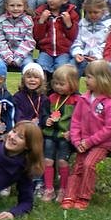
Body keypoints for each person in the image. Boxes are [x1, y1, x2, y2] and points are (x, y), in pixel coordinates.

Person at [61, 60, 111, 210]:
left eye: (89, 77)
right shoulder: (83, 99)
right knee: (78, 166)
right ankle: (70, 196)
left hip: (101, 144)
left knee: (89, 164)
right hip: (82, 142)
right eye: (86, 76)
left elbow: (109, 128)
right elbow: (75, 121)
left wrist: (89, 142)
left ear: (102, 79)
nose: (85, 80)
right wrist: (76, 141)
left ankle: (83, 197)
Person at [42, 64, 80, 203]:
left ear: (73, 84)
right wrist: (46, 120)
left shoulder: (77, 100)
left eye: (62, 84)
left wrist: (73, 132)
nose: (58, 87)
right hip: (50, 134)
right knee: (47, 160)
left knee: (63, 161)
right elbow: (44, 113)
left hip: (66, 136)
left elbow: (80, 119)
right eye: (56, 83)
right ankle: (49, 189)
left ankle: (63, 189)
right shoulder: (51, 98)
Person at [33, 0, 79, 76]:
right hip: (46, 51)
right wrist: (41, 21)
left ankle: (58, 86)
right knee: (40, 69)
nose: (50, 0)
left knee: (62, 70)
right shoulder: (41, 12)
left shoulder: (71, 14)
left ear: (65, 0)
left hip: (64, 52)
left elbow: (74, 37)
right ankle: (44, 86)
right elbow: (37, 36)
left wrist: (69, 24)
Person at [70, 0, 111, 76]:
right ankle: (70, 85)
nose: (92, 15)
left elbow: (109, 45)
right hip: (83, 56)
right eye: (89, 12)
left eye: (95, 12)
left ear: (103, 10)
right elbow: (78, 40)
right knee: (70, 70)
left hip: (100, 58)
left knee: (99, 71)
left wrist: (98, 57)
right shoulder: (83, 23)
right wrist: (77, 53)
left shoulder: (110, 25)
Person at [0, 0, 36, 70]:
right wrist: (8, 56)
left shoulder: (28, 21)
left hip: (24, 54)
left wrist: (18, 57)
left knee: (30, 67)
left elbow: (29, 41)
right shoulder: (1, 21)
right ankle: (0, 79)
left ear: (25, 6)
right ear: (6, 6)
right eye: (12, 5)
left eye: (19, 5)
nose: (15, 8)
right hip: (3, 54)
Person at [13, 63, 48, 128]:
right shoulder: (17, 97)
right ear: (23, 79)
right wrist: (28, 126)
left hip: (39, 129)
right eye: (29, 77)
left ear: (41, 80)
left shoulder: (44, 98)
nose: (32, 80)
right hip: (23, 128)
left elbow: (44, 115)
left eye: (36, 77)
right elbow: (18, 116)